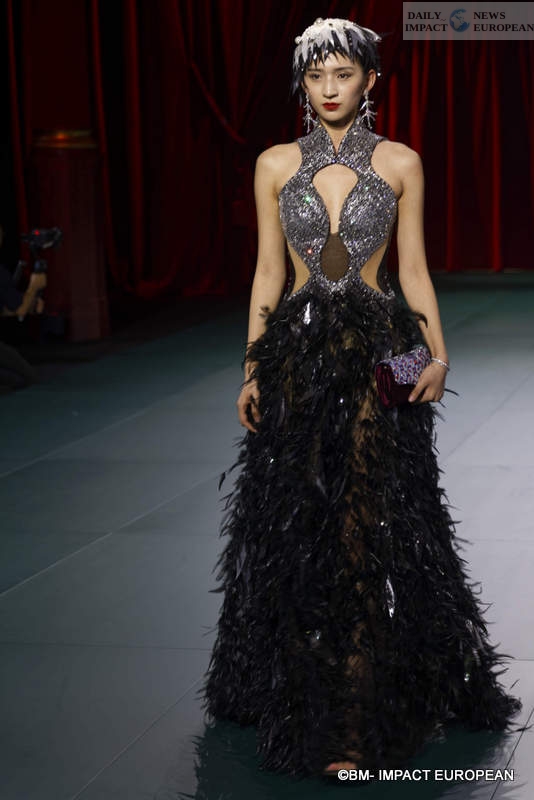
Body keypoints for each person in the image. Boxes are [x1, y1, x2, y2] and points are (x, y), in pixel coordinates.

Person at [199, 17, 523, 780]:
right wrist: (250, 370)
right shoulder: (275, 163)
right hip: (298, 351)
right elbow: (269, 274)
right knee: (296, 519)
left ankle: (352, 713)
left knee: (372, 517)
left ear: (370, 80)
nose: (328, 89)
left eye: (342, 74)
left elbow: (412, 271)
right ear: (302, 83)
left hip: (385, 347)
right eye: (315, 76)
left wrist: (435, 355)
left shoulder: (401, 161)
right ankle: (297, 686)